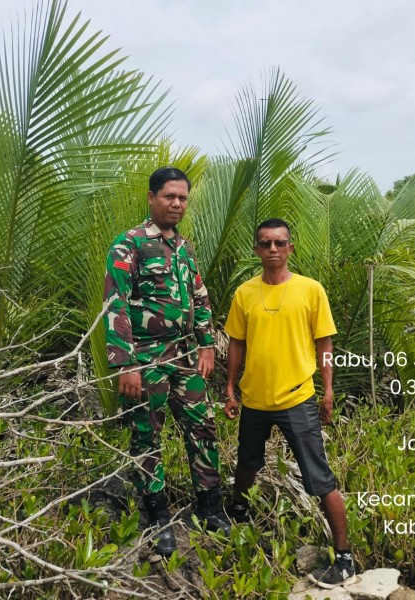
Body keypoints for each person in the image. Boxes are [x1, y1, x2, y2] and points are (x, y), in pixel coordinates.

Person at [103, 166, 230, 556]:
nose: (177, 203)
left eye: (182, 198)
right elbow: (115, 304)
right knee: (147, 435)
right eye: (169, 196)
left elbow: (200, 297)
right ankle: (158, 517)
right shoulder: (129, 244)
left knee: (202, 427)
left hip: (186, 356)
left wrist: (207, 344)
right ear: (152, 198)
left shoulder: (184, 248)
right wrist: (125, 364)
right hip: (145, 359)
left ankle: (210, 508)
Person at [223, 218, 355, 589]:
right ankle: (239, 513)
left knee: (319, 477)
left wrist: (328, 390)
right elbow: (236, 343)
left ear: (290, 248)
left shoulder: (311, 290)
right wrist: (229, 388)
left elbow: (324, 344)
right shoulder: (245, 293)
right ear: (256, 250)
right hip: (255, 398)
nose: (273, 249)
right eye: (265, 243)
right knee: (247, 462)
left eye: (280, 243)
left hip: (297, 398)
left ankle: (344, 557)